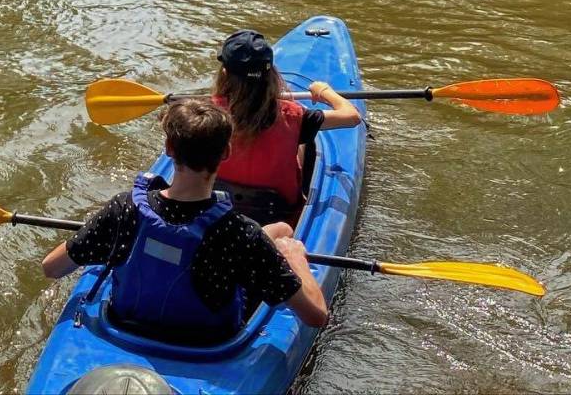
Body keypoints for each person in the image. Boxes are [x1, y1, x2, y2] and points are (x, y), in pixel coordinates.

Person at [41, 98, 328, 343]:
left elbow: (52, 267)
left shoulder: (124, 209)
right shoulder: (240, 233)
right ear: (226, 152)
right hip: (208, 347)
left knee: (275, 232)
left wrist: (107, 242)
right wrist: (295, 259)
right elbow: (316, 315)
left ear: (169, 148)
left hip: (125, 329)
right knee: (282, 232)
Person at [212, 30, 361, 224]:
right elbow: (352, 116)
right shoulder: (294, 116)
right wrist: (324, 91)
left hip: (218, 212)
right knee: (302, 141)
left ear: (224, 74)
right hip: (278, 218)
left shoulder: (205, 113)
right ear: (271, 75)